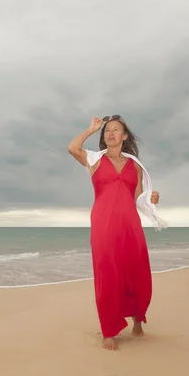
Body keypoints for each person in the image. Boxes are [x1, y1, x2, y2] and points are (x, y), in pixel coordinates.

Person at [67, 115, 164, 351]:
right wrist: (91, 129)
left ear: (124, 136)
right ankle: (109, 330)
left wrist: (153, 199)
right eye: (107, 130)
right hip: (104, 226)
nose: (110, 133)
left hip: (130, 225)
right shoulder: (94, 160)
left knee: (137, 271)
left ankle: (138, 320)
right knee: (108, 276)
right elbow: (72, 147)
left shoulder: (135, 166)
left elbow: (139, 199)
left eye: (116, 130)